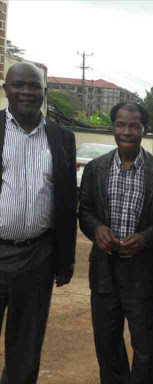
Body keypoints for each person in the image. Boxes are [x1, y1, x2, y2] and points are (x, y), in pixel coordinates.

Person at [79, 102, 153, 384]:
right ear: (113, 127)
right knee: (107, 346)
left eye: (134, 126)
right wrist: (97, 229)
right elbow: (84, 211)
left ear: (145, 129)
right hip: (105, 272)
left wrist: (146, 238)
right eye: (120, 125)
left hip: (143, 274)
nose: (127, 132)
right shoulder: (96, 168)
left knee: (145, 348)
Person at [0, 62, 77, 383]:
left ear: (45, 92)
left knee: (27, 344)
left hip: (38, 256)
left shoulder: (61, 138)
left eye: (34, 86)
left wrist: (65, 259)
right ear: (6, 89)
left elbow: (67, 200)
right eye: (19, 85)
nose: (26, 92)